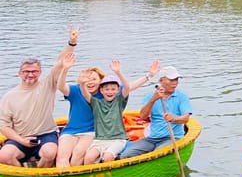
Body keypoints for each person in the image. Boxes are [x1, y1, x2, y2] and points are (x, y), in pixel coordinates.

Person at [56, 60, 159, 167]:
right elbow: (61, 86)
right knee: (62, 156)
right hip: (72, 131)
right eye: (88, 79)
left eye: (94, 79)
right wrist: (66, 69)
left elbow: (130, 87)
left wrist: (149, 76)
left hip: (91, 133)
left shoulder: (108, 93)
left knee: (79, 153)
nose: (90, 82)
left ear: (101, 82)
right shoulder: (79, 91)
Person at [0, 27, 78, 167]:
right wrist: (21, 140)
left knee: (50, 153)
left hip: (46, 134)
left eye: (34, 71)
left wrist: (71, 43)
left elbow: (60, 63)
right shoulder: (9, 97)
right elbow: (4, 126)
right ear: (19, 73)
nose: (30, 75)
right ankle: (24, 175)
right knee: (4, 155)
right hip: (20, 137)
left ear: (40, 72)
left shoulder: (47, 85)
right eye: (26, 72)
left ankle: (41, 174)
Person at [119, 66, 192, 159]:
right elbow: (143, 116)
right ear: (161, 81)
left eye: (176, 80)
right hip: (152, 138)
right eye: (171, 80)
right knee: (126, 155)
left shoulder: (181, 97)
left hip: (172, 138)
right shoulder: (151, 96)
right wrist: (153, 100)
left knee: (158, 154)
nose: (175, 83)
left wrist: (173, 118)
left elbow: (186, 118)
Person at [76, 60, 137, 164]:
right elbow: (85, 94)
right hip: (100, 140)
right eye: (107, 89)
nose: (110, 92)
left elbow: (127, 87)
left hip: (118, 139)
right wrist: (82, 83)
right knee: (88, 158)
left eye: (113, 89)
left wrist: (118, 72)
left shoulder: (119, 101)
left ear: (118, 90)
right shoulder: (96, 103)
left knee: (108, 157)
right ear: (101, 90)